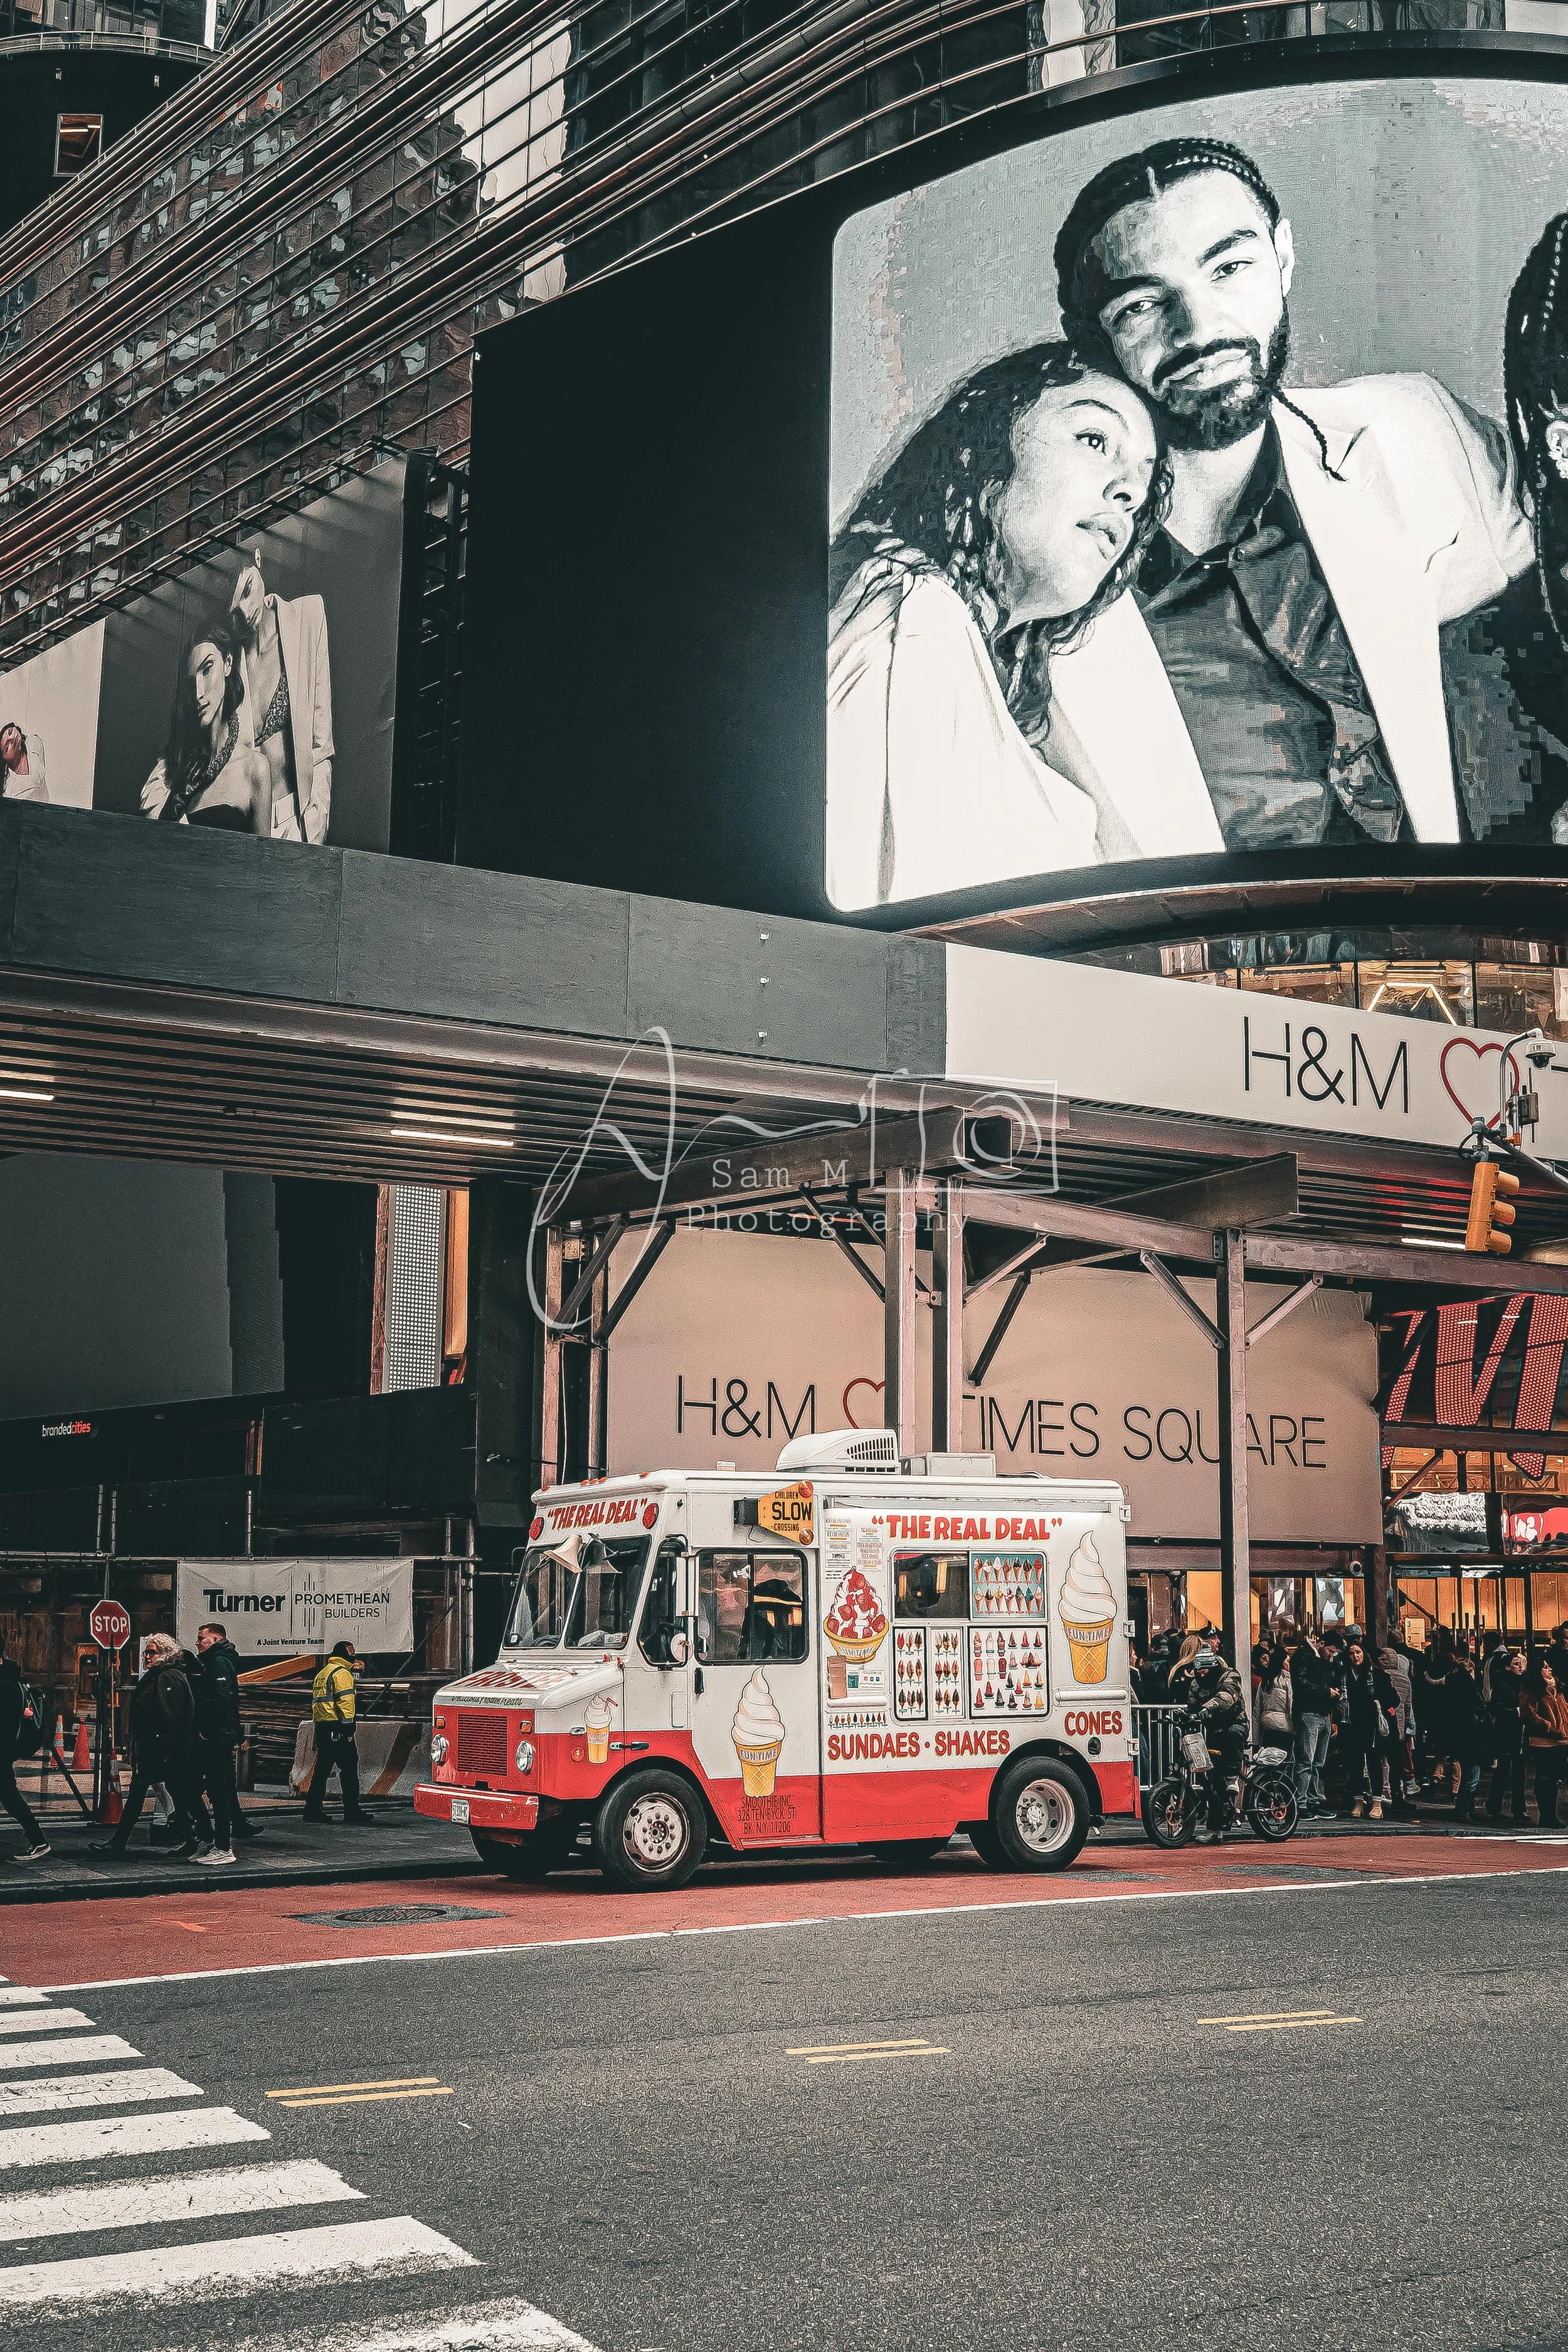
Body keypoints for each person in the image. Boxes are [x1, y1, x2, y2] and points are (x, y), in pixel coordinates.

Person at [1045, 136, 1532, 861]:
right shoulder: (1053, 581)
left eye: (1229, 268)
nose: (1200, 329)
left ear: (1282, 257)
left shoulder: (1419, 429)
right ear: (1090, 339)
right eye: (1142, 304)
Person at [827, 339, 1170, 907]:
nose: (1128, 491)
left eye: (1141, 482)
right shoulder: (912, 613)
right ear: (986, 451)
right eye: (1094, 440)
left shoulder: (967, 647)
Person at [226, 546, 334, 844]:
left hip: (294, 823)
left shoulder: (307, 618)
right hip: (240, 829)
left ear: (258, 564)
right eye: (235, 609)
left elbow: (321, 744)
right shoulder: (227, 656)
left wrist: (312, 829)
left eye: (248, 591)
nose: (246, 612)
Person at [92, 1634, 215, 1862]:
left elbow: (175, 1718)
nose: (147, 1656)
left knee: (182, 1794)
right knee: (173, 1794)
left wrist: (170, 1753)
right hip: (152, 1751)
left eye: (152, 1652)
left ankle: (204, 1837)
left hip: (163, 1752)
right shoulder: (156, 1676)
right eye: (146, 1652)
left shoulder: (170, 1677)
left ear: (165, 1654)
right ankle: (196, 1838)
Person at [139, 625, 273, 834]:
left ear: (227, 664)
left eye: (207, 668)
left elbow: (264, 862)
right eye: (192, 680)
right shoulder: (173, 770)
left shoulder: (254, 768)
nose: (198, 693)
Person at [193, 1621, 262, 1861]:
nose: (197, 1642)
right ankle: (214, 1842)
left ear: (214, 1639)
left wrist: (205, 1729)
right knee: (215, 1789)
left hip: (217, 1737)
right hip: (221, 1734)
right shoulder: (215, 1661)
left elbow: (222, 1700)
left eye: (201, 1638)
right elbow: (232, 1703)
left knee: (217, 1790)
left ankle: (222, 1847)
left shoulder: (219, 1662)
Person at [302, 1641, 374, 1825]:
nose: (354, 1655)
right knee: (349, 1768)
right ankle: (352, 1810)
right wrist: (349, 1728)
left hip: (322, 1726)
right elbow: (346, 1703)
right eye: (351, 1652)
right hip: (338, 1727)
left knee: (322, 1770)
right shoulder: (342, 1674)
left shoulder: (323, 1673)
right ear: (343, 1654)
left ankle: (312, 1809)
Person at [1186, 1647, 1249, 1843]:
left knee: (1233, 1734)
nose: (1201, 1675)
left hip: (1235, 1724)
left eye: (1204, 1671)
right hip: (1213, 1731)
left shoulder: (1230, 1675)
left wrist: (1207, 1707)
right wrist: (1186, 1716)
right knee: (1212, 1779)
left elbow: (1227, 1697)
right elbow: (1192, 1705)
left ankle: (1233, 1778)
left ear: (1213, 1667)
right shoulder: (1196, 1684)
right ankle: (1216, 1831)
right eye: (1198, 1671)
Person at [0, 1632, 48, 1860]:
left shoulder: (6, 1686)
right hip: (4, 1753)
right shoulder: (12, 1682)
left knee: (11, 1798)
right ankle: (38, 1840)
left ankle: (39, 1841)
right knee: (10, 1797)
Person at [1338, 1639, 1396, 1821]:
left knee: (1374, 1763)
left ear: (1364, 1654)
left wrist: (1384, 1706)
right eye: (1352, 1653)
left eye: (1358, 1653)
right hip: (1351, 1723)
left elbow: (1394, 1698)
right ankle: (1358, 1801)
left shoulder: (1376, 1675)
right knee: (1355, 1765)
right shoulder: (1343, 1675)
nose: (1355, 1657)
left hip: (1371, 1726)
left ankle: (1377, 1803)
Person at [1521, 1658, 1568, 1829]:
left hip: (1561, 1740)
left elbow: (1564, 1709)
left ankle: (1551, 1815)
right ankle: (1547, 1815)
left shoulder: (1557, 1687)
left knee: (1554, 1779)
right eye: (1545, 1667)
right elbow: (1528, 1714)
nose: (1549, 1669)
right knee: (1545, 1778)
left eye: (1549, 1666)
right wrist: (1547, 1727)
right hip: (1543, 1741)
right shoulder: (1532, 1688)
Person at [1291, 1626, 1333, 1814]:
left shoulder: (1324, 1661)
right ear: (1322, 1644)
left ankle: (1312, 1801)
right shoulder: (1303, 1657)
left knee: (1317, 1762)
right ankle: (1301, 1803)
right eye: (1330, 1651)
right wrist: (1327, 1692)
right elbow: (1300, 1683)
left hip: (1322, 1714)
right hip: (1308, 1713)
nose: (1331, 1655)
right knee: (1306, 1760)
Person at [1377, 1643, 1419, 1821]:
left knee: (1376, 1762)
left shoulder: (1379, 1676)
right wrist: (1406, 1726)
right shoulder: (1405, 1679)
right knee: (1396, 1763)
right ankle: (1397, 1795)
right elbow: (1408, 1706)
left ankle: (1376, 1795)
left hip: (1380, 1723)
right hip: (1398, 1725)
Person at [1486, 1649, 1529, 1824]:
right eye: (1516, 1665)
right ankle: (1495, 1807)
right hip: (1507, 1732)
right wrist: (1516, 1712)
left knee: (1519, 1772)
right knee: (1504, 1771)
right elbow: (1496, 1707)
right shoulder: (1503, 1685)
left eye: (1521, 1664)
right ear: (1507, 1667)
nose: (1519, 1667)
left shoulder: (1523, 1684)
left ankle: (1518, 1809)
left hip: (1520, 1733)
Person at [1447, 1653, 1489, 1821]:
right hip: (1471, 1738)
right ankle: (1463, 1810)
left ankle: (1467, 1809)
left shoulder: (1454, 1688)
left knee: (1467, 1773)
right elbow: (1478, 1710)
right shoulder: (1469, 1688)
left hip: (1461, 1738)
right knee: (1471, 1777)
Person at [1254, 1640, 1293, 1762]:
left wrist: (1256, 1739)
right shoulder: (1287, 1680)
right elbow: (1291, 1705)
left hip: (1267, 1726)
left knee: (1269, 1760)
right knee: (1285, 1761)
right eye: (1287, 1661)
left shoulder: (1265, 1681)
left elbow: (1256, 1710)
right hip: (1284, 1727)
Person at [0, 722, 47, 804]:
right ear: (5, 758)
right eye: (7, 747)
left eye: (10, 732)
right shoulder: (10, 790)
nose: (12, 739)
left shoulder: (34, 745)